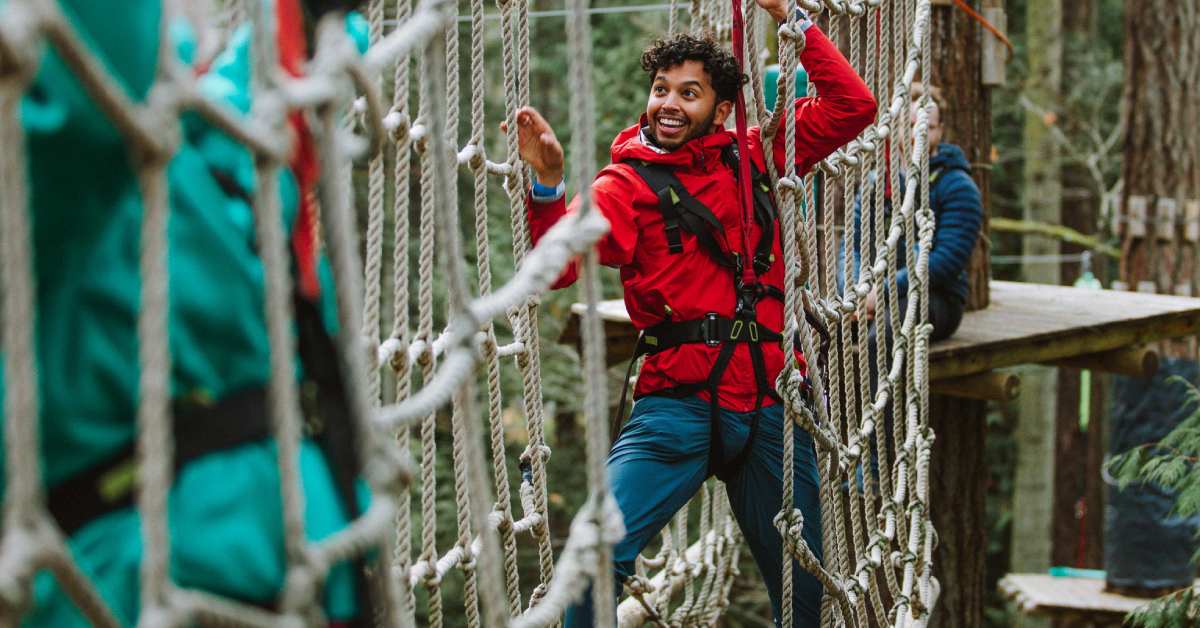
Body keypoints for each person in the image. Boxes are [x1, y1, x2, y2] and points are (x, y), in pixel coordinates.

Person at [1, 1, 376, 625]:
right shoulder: (49, 165)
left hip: (288, 570)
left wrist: (302, 21)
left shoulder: (171, 175)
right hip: (133, 583)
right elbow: (90, 83)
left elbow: (236, 151)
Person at [510, 0, 876, 623]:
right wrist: (547, 185)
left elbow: (853, 106)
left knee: (805, 593)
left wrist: (790, 17)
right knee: (595, 559)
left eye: (689, 92)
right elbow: (559, 264)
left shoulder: (757, 157)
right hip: (677, 407)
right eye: (660, 90)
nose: (669, 104)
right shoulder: (624, 185)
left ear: (722, 110)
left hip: (769, 409)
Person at [856, 83, 982, 341]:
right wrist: (857, 293)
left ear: (941, 131)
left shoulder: (957, 186)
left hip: (935, 297)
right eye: (910, 124)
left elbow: (945, 261)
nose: (917, 133)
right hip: (875, 293)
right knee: (813, 331)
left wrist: (883, 291)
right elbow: (854, 243)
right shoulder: (877, 182)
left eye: (928, 127)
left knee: (883, 335)